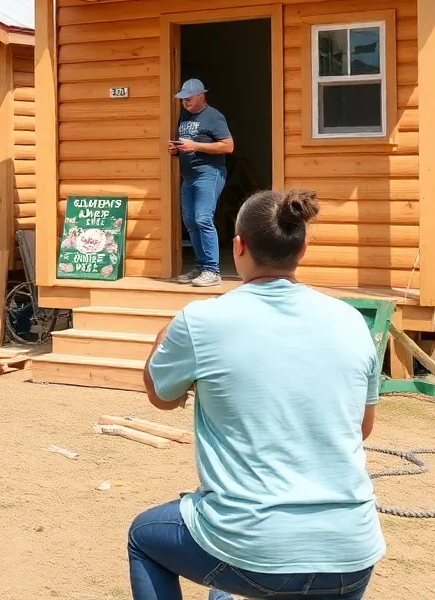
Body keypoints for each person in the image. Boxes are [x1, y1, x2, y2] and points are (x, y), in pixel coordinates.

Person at [128, 190, 384, 600]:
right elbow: (362, 428)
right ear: (303, 247)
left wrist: (163, 340)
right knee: (227, 586)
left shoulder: (201, 321)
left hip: (253, 546)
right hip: (352, 553)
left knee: (145, 537)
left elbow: (161, 395)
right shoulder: (353, 321)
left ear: (238, 246)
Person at [167, 78, 233, 287]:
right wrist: (176, 151)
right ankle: (200, 266)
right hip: (189, 176)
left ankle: (213, 271)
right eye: (183, 98)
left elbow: (228, 146)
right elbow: (187, 146)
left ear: (201, 96)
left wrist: (194, 145)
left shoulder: (214, 116)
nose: (185, 102)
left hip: (209, 173)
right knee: (190, 222)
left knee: (203, 218)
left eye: (189, 98)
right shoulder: (184, 116)